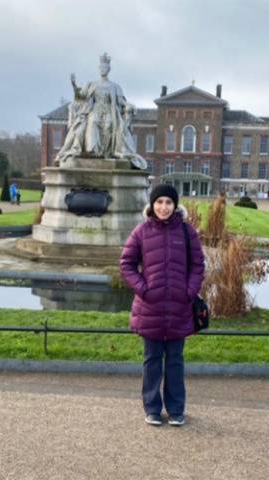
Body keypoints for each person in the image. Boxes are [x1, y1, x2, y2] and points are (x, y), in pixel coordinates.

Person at [119, 184, 205, 427]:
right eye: (159, 202)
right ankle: (153, 409)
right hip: (151, 307)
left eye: (168, 202)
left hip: (179, 306)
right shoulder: (141, 232)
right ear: (152, 205)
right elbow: (126, 264)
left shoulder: (187, 233)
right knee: (152, 360)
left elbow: (198, 265)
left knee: (176, 361)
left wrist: (189, 291)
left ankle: (176, 410)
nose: (163, 207)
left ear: (175, 205)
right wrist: (144, 289)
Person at [56, 53, 147, 170]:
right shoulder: (92, 84)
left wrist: (130, 105)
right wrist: (74, 85)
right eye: (101, 67)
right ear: (99, 69)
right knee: (92, 123)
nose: (102, 70)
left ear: (108, 70)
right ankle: (93, 150)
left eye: (105, 68)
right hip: (94, 111)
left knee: (109, 126)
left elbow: (121, 101)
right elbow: (80, 97)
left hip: (109, 111)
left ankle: (105, 153)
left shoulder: (115, 86)